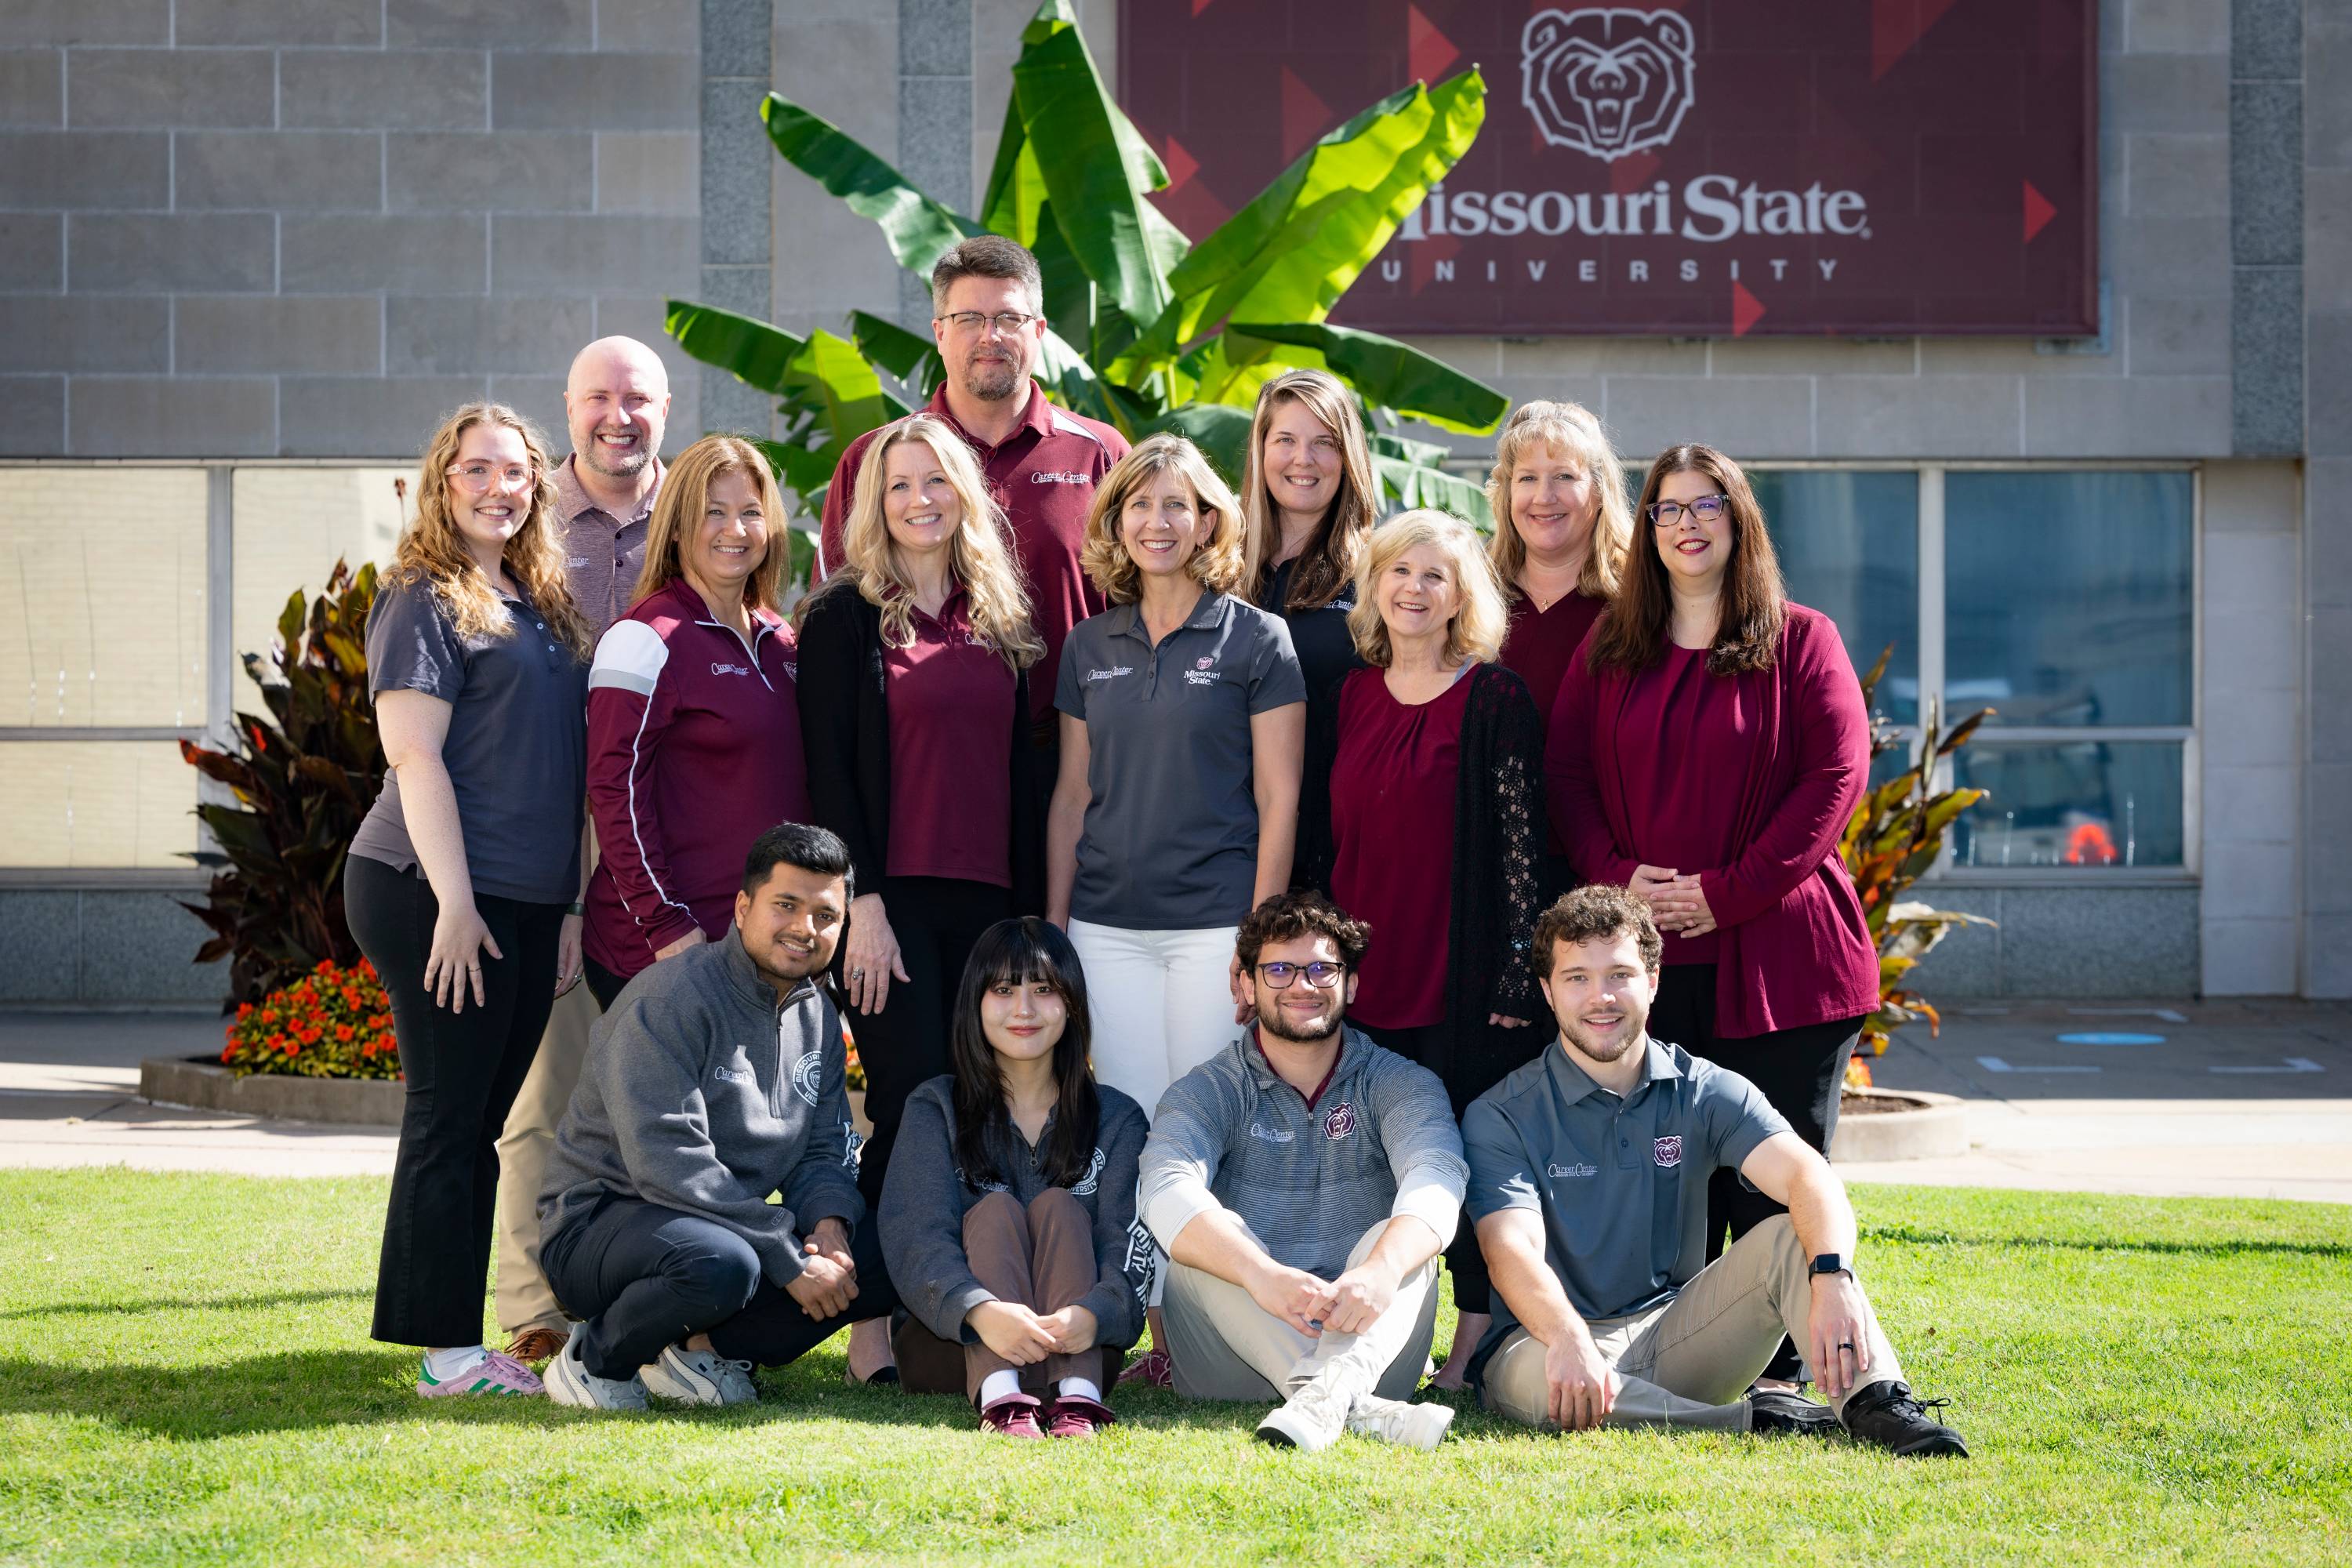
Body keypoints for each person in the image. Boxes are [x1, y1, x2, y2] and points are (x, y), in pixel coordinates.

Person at [1545, 441, 1882, 1388]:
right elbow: (1566, 778)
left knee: (1773, 1168)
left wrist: (1725, 890)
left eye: (1707, 505)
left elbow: (1834, 782)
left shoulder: (1802, 638)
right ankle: (1685, 1356)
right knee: (1676, 1174)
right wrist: (1622, 882)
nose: (1687, 524)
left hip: (1783, 953)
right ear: (1645, 529)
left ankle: (1783, 1371)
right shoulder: (1610, 646)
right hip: (1652, 958)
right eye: (1667, 508)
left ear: (1740, 521)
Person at [1464, 885, 1968, 1457]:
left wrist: (1833, 1277)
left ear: (1652, 982)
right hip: (1542, 1340)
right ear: (1547, 993)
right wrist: (1567, 1337)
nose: (1600, 997)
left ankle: (1879, 1405)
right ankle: (1756, 1422)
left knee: (1787, 1239)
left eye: (1620, 975)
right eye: (1577, 977)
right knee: (1539, 1387)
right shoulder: (1502, 1113)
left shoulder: (1703, 1088)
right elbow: (1510, 1250)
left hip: (1673, 1336)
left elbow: (1808, 1176)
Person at [346, 401, 594, 1399]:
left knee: (479, 1116)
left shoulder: (538, 597)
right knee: (450, 1116)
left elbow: (565, 766)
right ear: (441, 482)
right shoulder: (424, 596)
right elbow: (414, 755)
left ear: (539, 484)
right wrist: (455, 903)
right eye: (475, 469)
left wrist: (570, 905)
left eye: (516, 471)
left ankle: (450, 1335)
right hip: (433, 887)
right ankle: (447, 1351)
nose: (499, 487)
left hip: (527, 898)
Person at [797, 412, 1048, 1381]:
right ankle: (869, 1329)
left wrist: (1030, 919)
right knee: (904, 1105)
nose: (920, 500)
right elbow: (829, 770)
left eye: (936, 481)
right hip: (889, 907)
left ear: (966, 495)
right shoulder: (843, 615)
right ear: (875, 502)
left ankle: (957, 1315)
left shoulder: (999, 615)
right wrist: (858, 904)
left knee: (980, 1109)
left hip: (988, 904)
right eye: (899, 485)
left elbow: (1023, 779)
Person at [1298, 509, 1546, 1390]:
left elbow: (1523, 847)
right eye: (1400, 571)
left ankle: (1475, 1341)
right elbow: (1323, 841)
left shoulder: (1496, 698)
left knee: (1471, 1160)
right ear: (1375, 586)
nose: (1414, 589)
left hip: (1462, 977)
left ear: (1461, 594)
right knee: (1372, 1165)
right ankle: (1384, 1334)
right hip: (1367, 972)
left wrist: (1519, 971)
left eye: (1435, 574)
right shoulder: (1350, 695)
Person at [536, 823, 894, 1410]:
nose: (806, 929)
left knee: (884, 1247)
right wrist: (785, 1254)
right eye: (786, 906)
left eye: (826, 916)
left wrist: (830, 1227)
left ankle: (696, 1351)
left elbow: (823, 1149)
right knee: (721, 1263)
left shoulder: (820, 1018)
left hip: (723, 1230)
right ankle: (595, 1359)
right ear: (743, 906)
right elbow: (667, 1162)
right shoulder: (671, 1000)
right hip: (602, 1224)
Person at [1138, 891, 1467, 1451]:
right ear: (1245, 985)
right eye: (1280, 969)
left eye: (1321, 969)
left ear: (1351, 985)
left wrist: (1380, 1272)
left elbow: (1437, 1177)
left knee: (1399, 1244)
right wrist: (1262, 1275)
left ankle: (1332, 1396)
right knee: (1206, 1243)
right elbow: (1164, 1190)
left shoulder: (1400, 1082)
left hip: (1368, 1338)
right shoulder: (1207, 1090)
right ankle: (1346, 1403)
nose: (1302, 985)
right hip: (1231, 1362)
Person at [495, 335, 673, 1365]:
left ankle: (661, 1307)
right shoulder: (525, 520)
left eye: (638, 398)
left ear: (664, 407)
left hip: (660, 843)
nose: (619, 416)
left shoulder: (691, 523)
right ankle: (535, 1312)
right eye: (599, 398)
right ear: (568, 408)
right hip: (545, 842)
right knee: (543, 1098)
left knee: (659, 1099)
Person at [1047, 434, 1306, 1115]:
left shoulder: (1259, 639)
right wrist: (1056, 926)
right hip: (1104, 928)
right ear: (1116, 521)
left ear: (1207, 523)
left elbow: (1280, 799)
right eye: (1138, 505)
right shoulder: (1087, 644)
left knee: (1210, 1121)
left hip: (1215, 926)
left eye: (1175, 506)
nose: (1155, 523)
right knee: (1129, 1119)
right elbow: (1072, 795)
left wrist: (1260, 937)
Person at [818, 235, 1128, 758]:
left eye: (1009, 319)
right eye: (969, 319)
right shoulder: (876, 461)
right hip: (920, 751)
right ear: (939, 333)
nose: (990, 336)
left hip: (1077, 752)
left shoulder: (1100, 455)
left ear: (1039, 331)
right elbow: (832, 626)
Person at [880, 918, 1150, 1438]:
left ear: (1070, 1002)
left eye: (1043, 989)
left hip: (1079, 1350)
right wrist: (981, 1313)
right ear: (975, 1003)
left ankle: (1078, 1402)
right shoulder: (935, 1106)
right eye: (1003, 989)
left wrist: (1093, 1316)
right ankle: (1002, 1397)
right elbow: (914, 1234)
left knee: (1059, 1206)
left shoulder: (1116, 1118)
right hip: (952, 1347)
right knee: (996, 1209)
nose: (1023, 1009)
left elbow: (1127, 1243)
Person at [580, 434, 807, 1007]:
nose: (735, 530)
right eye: (714, 513)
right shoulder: (642, 639)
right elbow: (613, 793)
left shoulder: (784, 643)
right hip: (667, 953)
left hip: (759, 953)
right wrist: (664, 925)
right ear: (677, 527)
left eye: (751, 512)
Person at [1485, 401, 1632, 895]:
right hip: (1487, 871)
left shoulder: (1640, 603)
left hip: (1610, 874)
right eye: (1526, 478)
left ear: (1599, 491)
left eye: (1564, 476)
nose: (1543, 497)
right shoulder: (1470, 600)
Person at [1238, 368, 1376, 720]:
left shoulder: (1377, 572)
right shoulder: (1215, 564)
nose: (1303, 458)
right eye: (1285, 440)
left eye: (1324, 442)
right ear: (1261, 450)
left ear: (1347, 459)